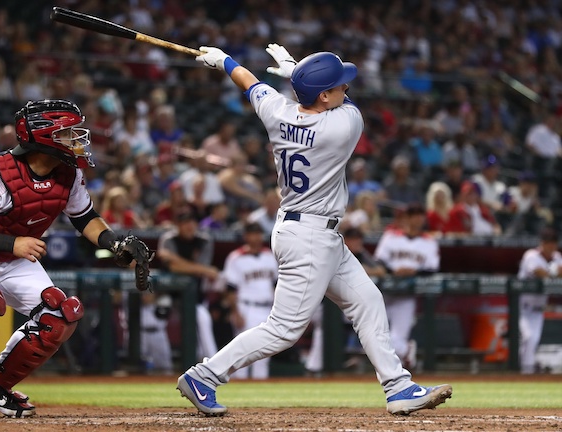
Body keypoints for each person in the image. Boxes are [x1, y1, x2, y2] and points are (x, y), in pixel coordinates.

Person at [176, 43, 451, 416]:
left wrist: (225, 60)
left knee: (367, 301)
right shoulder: (342, 126)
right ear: (324, 96)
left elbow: (249, 82)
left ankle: (398, 386)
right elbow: (272, 87)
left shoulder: (278, 112)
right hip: (308, 237)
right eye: (339, 87)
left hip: (312, 232)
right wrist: (293, 71)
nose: (346, 90)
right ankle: (204, 375)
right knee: (285, 329)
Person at [0, 100, 149, 417]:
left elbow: (85, 218)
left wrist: (114, 242)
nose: (77, 139)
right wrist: (14, 244)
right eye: (68, 133)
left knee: (61, 315)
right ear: (45, 137)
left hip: (12, 252)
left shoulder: (68, 174)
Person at [305, 227, 387, 374]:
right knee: (324, 327)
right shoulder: (336, 250)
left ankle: (353, 356)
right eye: (353, 239)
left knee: (367, 318)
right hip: (323, 303)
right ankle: (315, 367)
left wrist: (363, 269)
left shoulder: (361, 254)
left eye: (358, 239)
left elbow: (381, 270)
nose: (356, 243)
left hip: (344, 304)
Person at [374, 203, 440, 370]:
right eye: (413, 215)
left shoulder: (429, 241)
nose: (417, 219)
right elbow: (379, 261)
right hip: (386, 292)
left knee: (395, 341)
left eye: (420, 215)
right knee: (374, 335)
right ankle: (406, 352)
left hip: (407, 296)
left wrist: (414, 271)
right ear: (407, 218)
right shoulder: (391, 236)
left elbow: (432, 268)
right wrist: (393, 270)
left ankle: (399, 370)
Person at [157, 210, 220, 360]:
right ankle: (162, 367)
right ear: (177, 225)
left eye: (192, 222)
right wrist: (200, 269)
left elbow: (201, 270)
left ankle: (213, 364)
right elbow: (173, 268)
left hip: (195, 298)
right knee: (154, 322)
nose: (189, 226)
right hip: (169, 296)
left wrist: (174, 259)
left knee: (203, 321)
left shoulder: (204, 240)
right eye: (185, 222)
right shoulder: (169, 239)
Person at [222, 222, 278, 380]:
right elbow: (230, 289)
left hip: (267, 308)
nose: (255, 237)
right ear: (246, 236)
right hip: (246, 307)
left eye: (258, 233)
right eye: (252, 233)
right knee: (242, 354)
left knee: (264, 354)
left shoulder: (269, 255)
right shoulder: (235, 257)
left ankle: (260, 401)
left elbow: (276, 285)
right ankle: (239, 396)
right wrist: (235, 312)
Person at [517, 228, 562, 374]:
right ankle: (524, 373)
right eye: (548, 243)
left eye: (553, 243)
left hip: (538, 309)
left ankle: (525, 372)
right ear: (542, 243)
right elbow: (539, 273)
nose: (551, 247)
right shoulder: (531, 255)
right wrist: (555, 272)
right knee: (529, 338)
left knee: (532, 340)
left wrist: (554, 272)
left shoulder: (557, 256)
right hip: (522, 308)